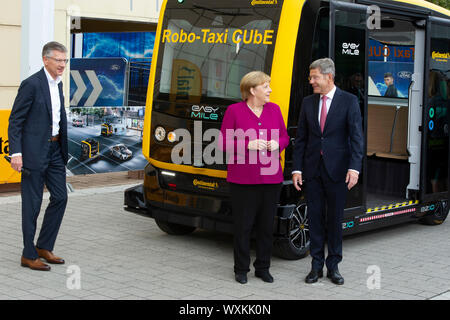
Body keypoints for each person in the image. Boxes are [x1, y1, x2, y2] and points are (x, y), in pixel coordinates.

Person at [292, 58, 364, 285]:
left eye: (314, 77)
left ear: (329, 77)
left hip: (338, 172)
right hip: (312, 171)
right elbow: (301, 139)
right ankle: (315, 266)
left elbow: (356, 137)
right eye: (311, 77)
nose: (310, 81)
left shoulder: (349, 101)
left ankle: (334, 266)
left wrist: (354, 168)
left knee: (334, 220)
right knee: (314, 219)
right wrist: (297, 169)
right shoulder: (307, 102)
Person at [220, 71, 289, 284]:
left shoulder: (275, 109)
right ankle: (241, 269)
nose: (269, 90)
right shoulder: (234, 111)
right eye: (265, 86)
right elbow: (222, 142)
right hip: (242, 180)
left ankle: (263, 267)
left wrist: (279, 144)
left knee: (266, 227)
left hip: (271, 180)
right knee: (243, 226)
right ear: (252, 90)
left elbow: (285, 137)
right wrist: (246, 144)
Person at [8, 41, 69, 271]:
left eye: (65, 60)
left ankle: (44, 246)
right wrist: (17, 153)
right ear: (46, 60)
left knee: (61, 197)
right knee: (32, 205)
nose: (62, 64)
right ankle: (28, 254)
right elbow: (16, 120)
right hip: (33, 153)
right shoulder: (31, 84)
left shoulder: (58, 85)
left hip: (55, 152)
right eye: (59, 60)